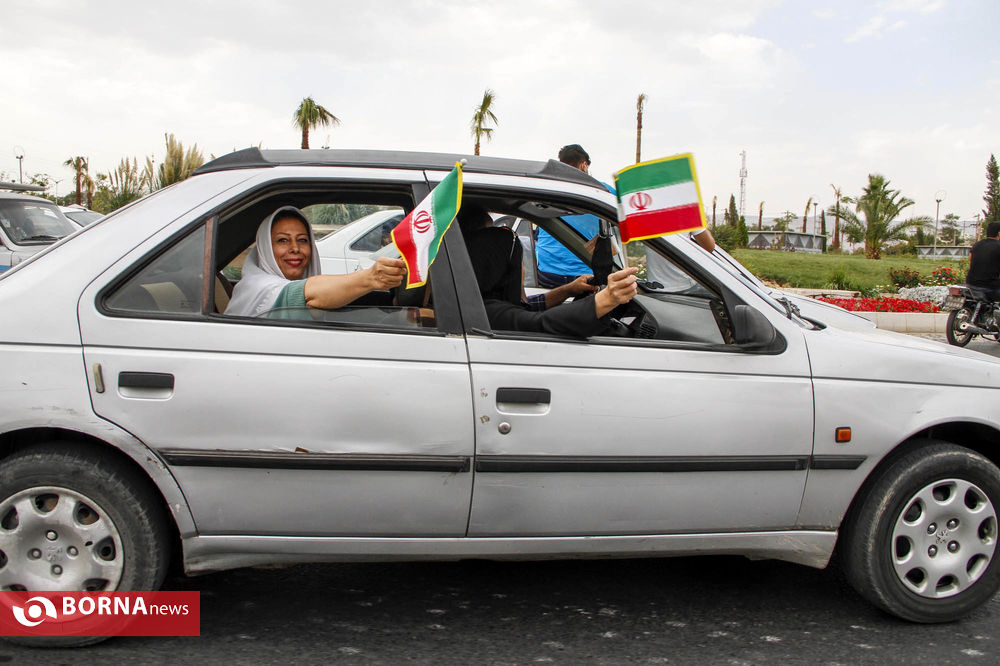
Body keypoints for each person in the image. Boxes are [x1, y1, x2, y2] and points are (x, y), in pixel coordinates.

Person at [226, 206, 405, 317]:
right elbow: (306, 294)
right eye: (282, 240)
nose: (295, 248)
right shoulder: (258, 288)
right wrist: (371, 278)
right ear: (265, 248)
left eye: (302, 240)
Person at [465, 227, 638, 336]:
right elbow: (538, 322)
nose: (524, 271)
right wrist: (606, 299)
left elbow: (526, 308)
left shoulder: (480, 301)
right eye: (522, 264)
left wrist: (569, 290)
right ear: (505, 271)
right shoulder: (488, 312)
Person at [534, 144, 616, 287]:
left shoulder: (548, 190)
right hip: (586, 274)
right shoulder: (603, 191)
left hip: (547, 274)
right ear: (584, 165)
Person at [644, 226, 716, 293]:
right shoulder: (686, 216)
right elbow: (709, 247)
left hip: (654, 287)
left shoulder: (643, 217)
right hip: (684, 287)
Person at [967, 221, 1000, 300]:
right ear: (999, 233)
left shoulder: (977, 244)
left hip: (971, 284)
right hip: (989, 287)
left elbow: (970, 259)